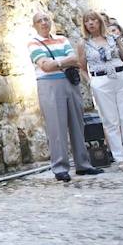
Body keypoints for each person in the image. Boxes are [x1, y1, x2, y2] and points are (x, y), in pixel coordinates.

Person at [27, 11, 102, 182]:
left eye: (46, 19)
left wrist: (57, 63)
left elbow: (76, 59)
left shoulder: (62, 39)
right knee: (56, 127)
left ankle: (83, 164)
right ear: (35, 25)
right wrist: (63, 62)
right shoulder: (33, 43)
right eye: (40, 21)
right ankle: (60, 167)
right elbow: (45, 66)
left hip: (70, 83)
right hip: (49, 85)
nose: (44, 23)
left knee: (77, 123)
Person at [78, 12, 123, 170]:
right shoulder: (83, 43)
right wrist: (91, 82)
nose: (91, 23)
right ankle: (120, 157)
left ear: (100, 22)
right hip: (100, 80)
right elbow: (81, 66)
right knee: (110, 121)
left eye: (93, 20)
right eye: (87, 21)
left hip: (120, 76)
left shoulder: (113, 39)